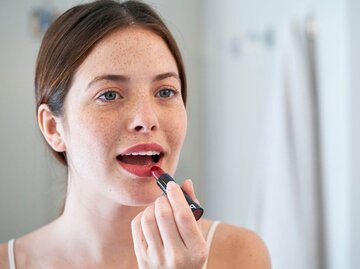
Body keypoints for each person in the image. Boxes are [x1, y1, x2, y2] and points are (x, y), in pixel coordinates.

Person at [0, 0, 271, 268]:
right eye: (109, 94)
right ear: (53, 127)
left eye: (165, 92)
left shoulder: (241, 255)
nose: (147, 120)